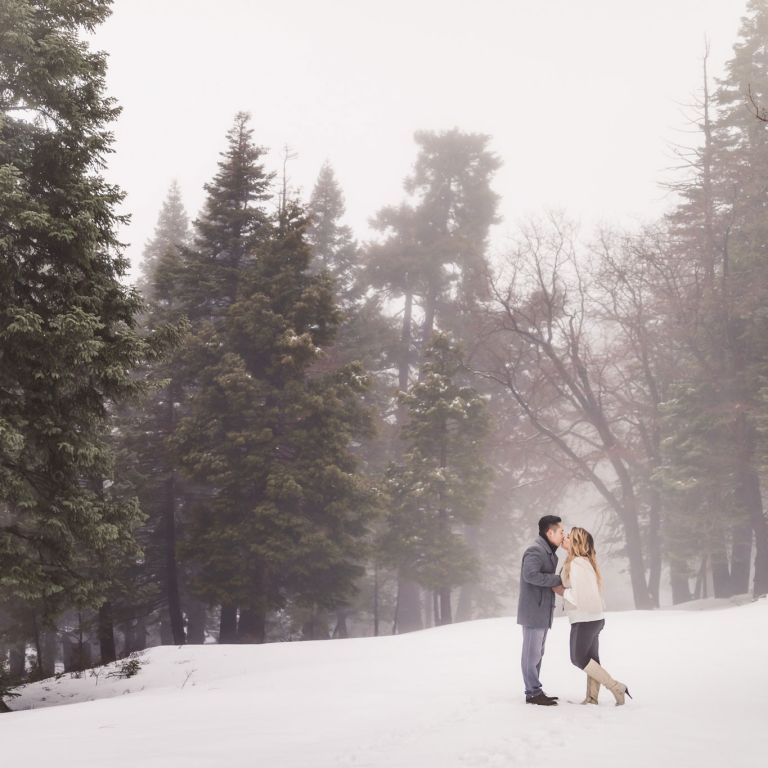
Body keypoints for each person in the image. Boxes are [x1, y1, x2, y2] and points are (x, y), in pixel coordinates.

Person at [556, 527, 632, 706]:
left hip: (585, 619)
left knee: (578, 658)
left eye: (569, 537)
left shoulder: (578, 563)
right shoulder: (580, 561)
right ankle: (592, 698)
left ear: (576, 542)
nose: (564, 538)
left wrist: (561, 591)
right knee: (591, 659)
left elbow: (580, 595)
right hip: (591, 618)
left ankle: (616, 687)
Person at [516, 515, 565, 705]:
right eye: (561, 532)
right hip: (533, 611)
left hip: (542, 611)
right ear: (550, 532)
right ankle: (533, 693)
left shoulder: (548, 552)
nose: (563, 535)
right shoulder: (536, 550)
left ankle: (535, 690)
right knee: (531, 654)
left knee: (537, 653)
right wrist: (558, 579)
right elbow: (530, 575)